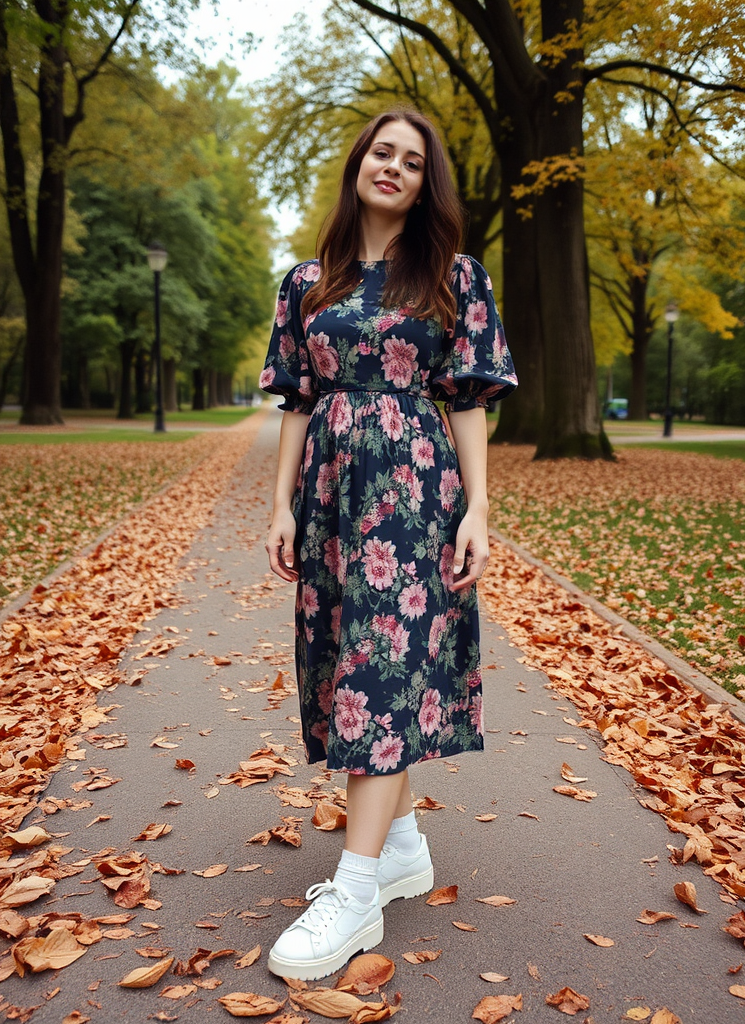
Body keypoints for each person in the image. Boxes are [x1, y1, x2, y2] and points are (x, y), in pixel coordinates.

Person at [259, 108, 518, 981]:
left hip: (413, 492)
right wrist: (282, 505)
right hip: (331, 493)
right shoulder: (306, 282)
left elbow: (470, 400)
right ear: (359, 164)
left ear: (425, 182)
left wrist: (479, 509)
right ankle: (403, 846)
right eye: (383, 153)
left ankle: (360, 888)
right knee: (346, 666)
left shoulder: (454, 277)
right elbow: (295, 400)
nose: (395, 169)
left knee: (381, 671)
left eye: (413, 161)